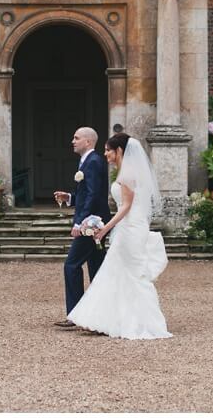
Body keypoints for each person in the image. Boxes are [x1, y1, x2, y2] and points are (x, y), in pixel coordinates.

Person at [66, 133, 171, 339]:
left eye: (108, 150)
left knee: (134, 274)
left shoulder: (127, 175)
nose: (105, 154)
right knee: (114, 272)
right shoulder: (125, 173)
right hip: (127, 228)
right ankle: (105, 319)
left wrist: (105, 228)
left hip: (131, 229)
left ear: (119, 151)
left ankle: (147, 322)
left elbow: (126, 208)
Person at [52, 127, 111, 328]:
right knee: (96, 268)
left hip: (93, 224)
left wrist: (81, 222)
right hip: (94, 221)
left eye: (76, 138)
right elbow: (87, 193)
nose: (72, 141)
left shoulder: (93, 161)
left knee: (71, 265)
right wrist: (69, 198)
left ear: (88, 141)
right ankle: (100, 314)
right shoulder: (87, 161)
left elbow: (95, 195)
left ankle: (75, 315)